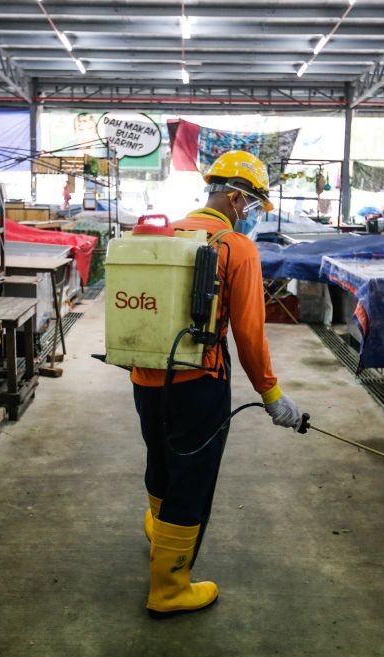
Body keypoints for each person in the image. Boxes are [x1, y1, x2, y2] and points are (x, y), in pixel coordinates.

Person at [131, 149, 303, 618]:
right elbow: (249, 336)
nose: (250, 216)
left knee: (161, 459)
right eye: (251, 205)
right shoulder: (236, 248)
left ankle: (158, 532)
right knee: (193, 479)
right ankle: (168, 588)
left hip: (146, 377)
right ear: (233, 196)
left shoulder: (164, 234)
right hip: (198, 384)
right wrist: (272, 396)